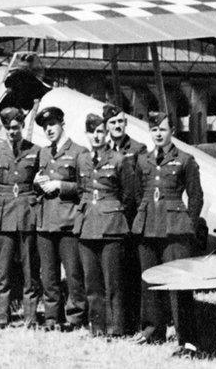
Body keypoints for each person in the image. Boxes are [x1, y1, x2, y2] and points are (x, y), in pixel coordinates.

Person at [132, 112, 203, 357]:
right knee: (149, 280)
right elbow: (137, 193)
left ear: (172, 130)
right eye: (154, 130)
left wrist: (188, 226)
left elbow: (196, 197)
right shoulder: (142, 160)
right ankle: (152, 330)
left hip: (175, 229)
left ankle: (187, 339)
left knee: (178, 285)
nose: (158, 134)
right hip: (148, 226)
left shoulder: (185, 159)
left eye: (162, 129)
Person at [74, 113, 139, 338]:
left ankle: (117, 328)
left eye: (100, 131)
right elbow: (80, 189)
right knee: (92, 282)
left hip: (112, 227)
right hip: (87, 226)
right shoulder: (81, 159)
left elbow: (129, 196)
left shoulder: (119, 160)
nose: (96, 136)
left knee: (114, 282)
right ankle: (98, 327)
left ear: (106, 133)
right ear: (87, 134)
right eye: (92, 132)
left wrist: (117, 216)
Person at [0, 106, 41, 328]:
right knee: (2, 271)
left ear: (22, 126)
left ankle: (30, 318)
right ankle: (1, 318)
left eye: (15, 127)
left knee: (30, 271)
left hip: (27, 215)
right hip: (3, 216)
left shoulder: (35, 151)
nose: (11, 132)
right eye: (7, 128)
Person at [33, 106, 87, 331]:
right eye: (45, 127)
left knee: (73, 274)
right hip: (46, 221)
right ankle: (52, 317)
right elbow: (37, 187)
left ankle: (75, 318)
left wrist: (60, 185)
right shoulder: (43, 153)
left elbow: (85, 186)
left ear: (62, 124)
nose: (48, 129)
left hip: (68, 222)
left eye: (52, 124)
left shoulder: (79, 152)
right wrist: (37, 184)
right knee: (49, 275)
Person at [103, 103, 147, 331]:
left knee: (132, 271)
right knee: (115, 273)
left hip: (130, 219)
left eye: (120, 121)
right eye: (113, 122)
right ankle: (118, 321)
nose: (117, 125)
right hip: (110, 221)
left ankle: (135, 320)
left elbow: (138, 188)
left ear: (126, 123)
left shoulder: (138, 149)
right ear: (106, 126)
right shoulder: (102, 150)